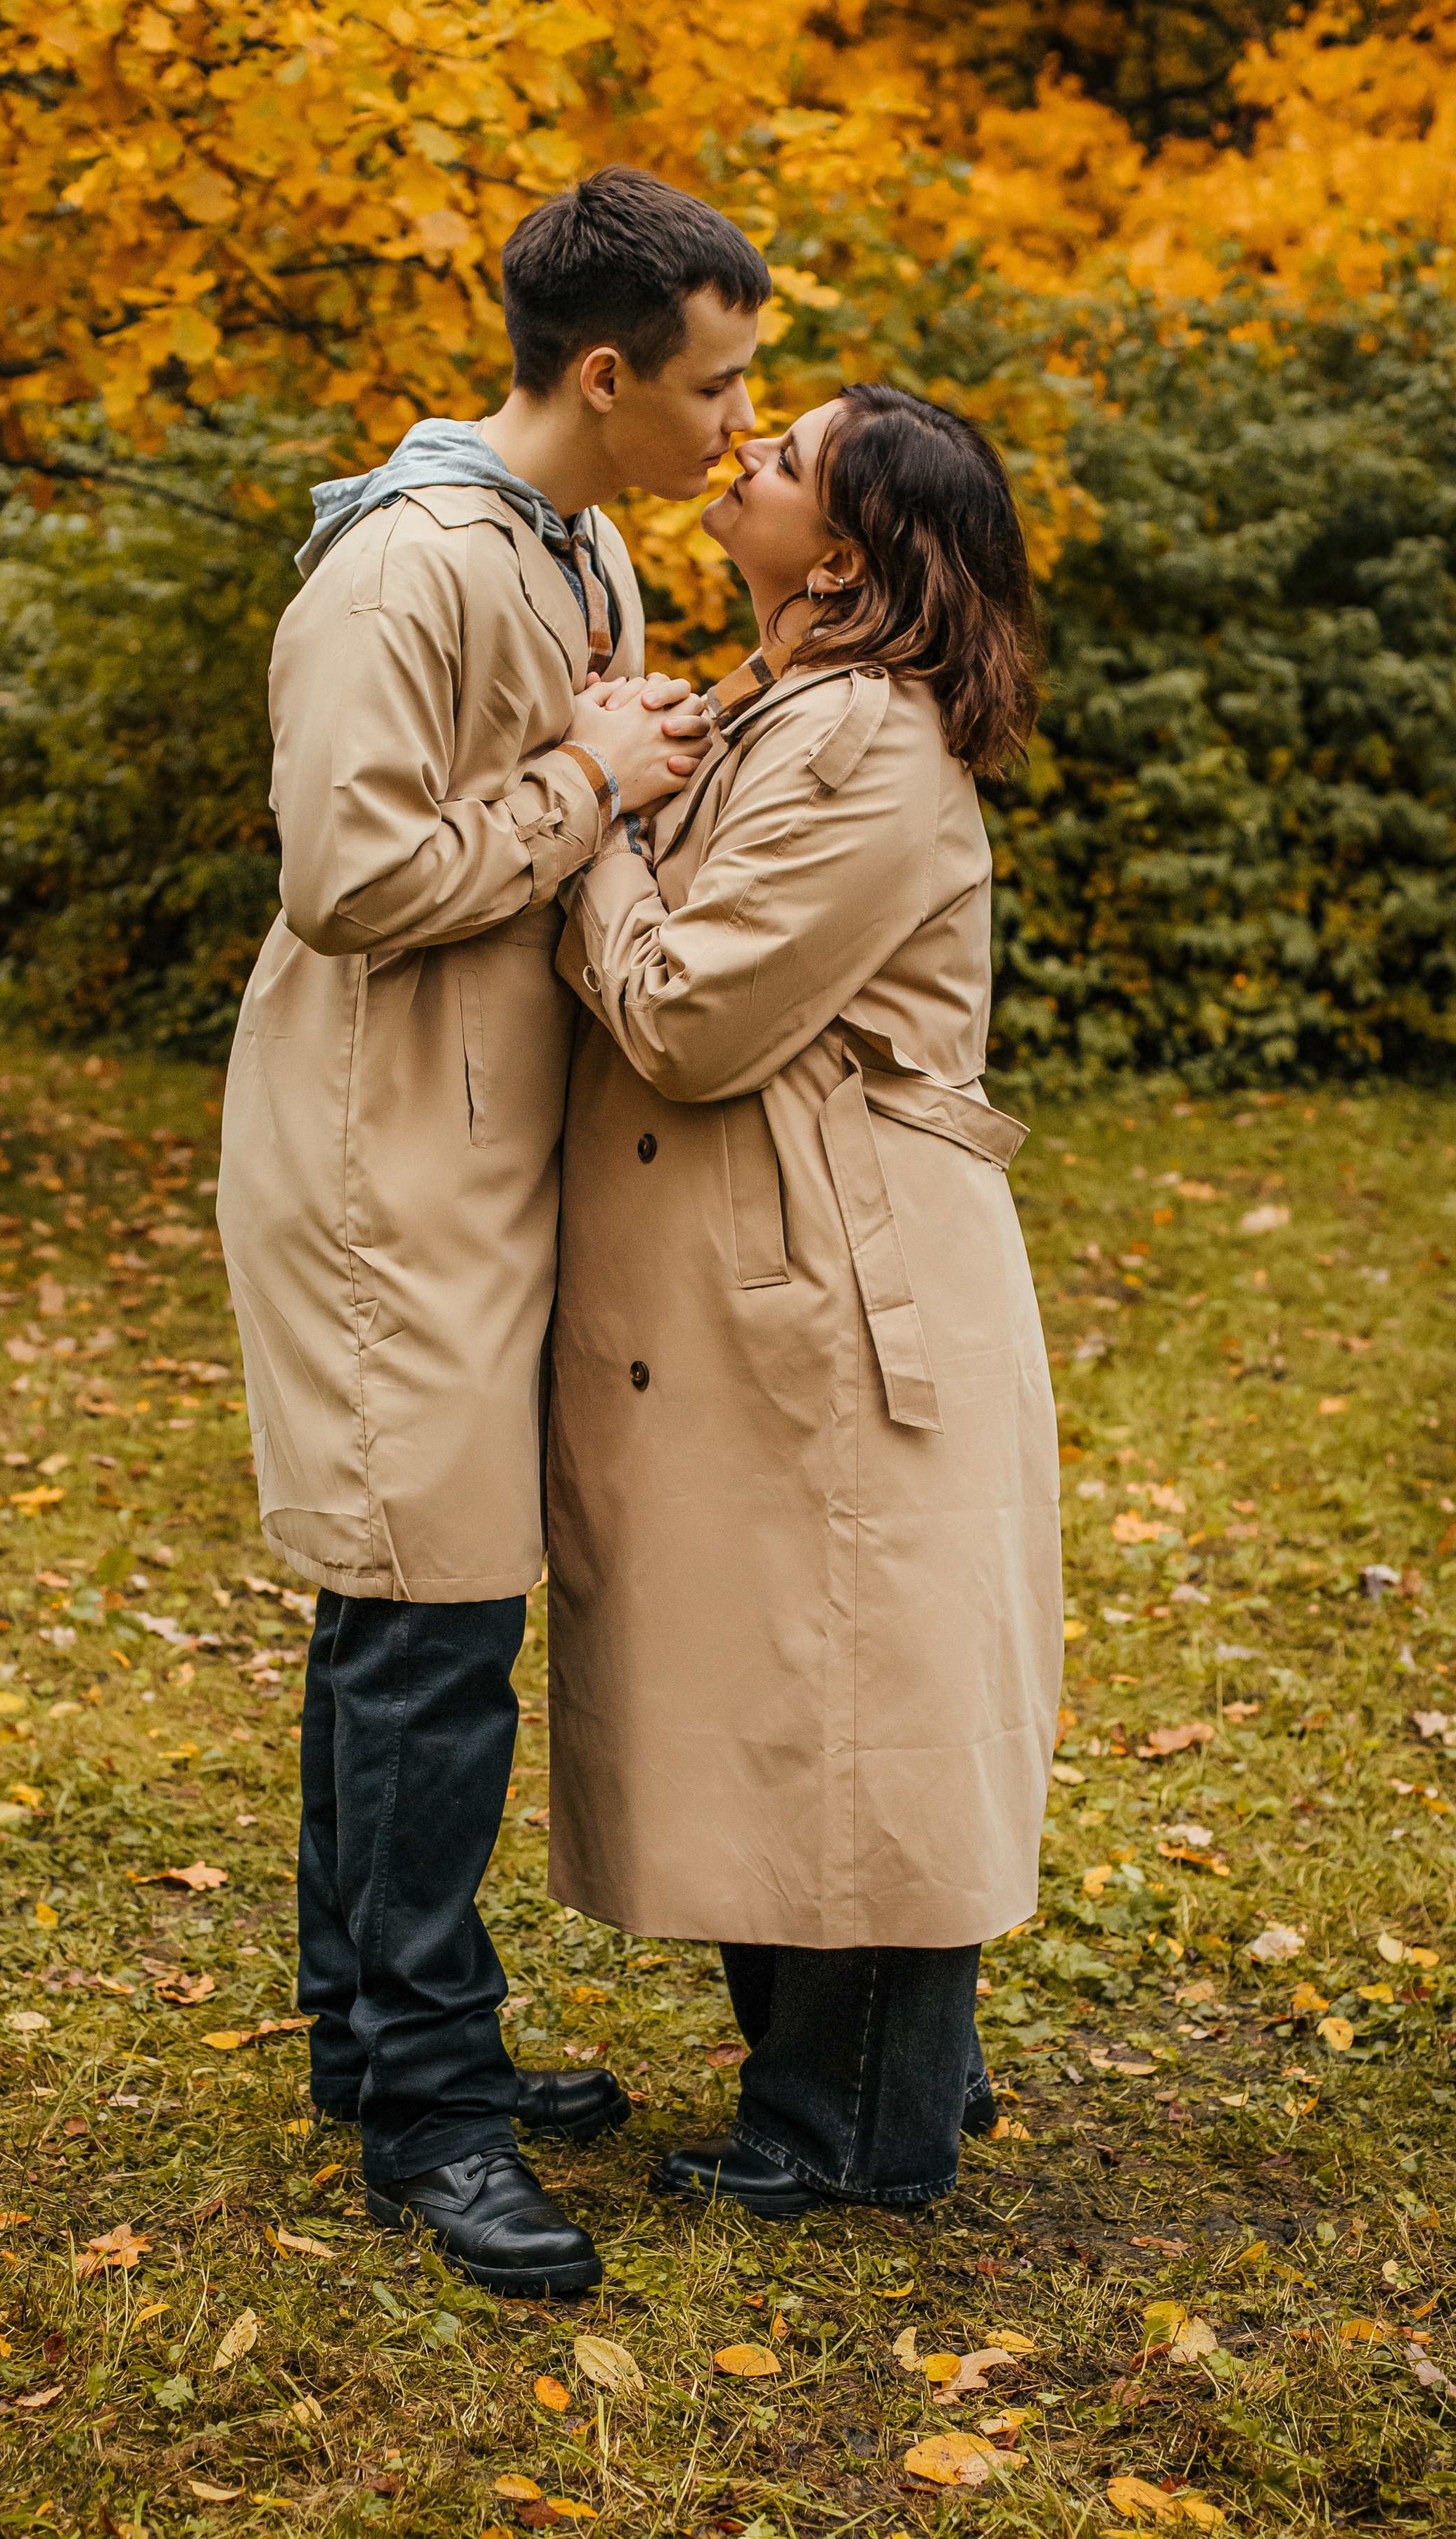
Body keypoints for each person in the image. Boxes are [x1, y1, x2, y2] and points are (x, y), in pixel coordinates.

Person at [216, 167, 771, 2294]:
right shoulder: (402, 568)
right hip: (387, 1161)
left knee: (408, 1612)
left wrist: (644, 769)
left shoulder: (588, 545)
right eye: (718, 384)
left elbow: (565, 800)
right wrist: (594, 787)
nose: (740, 422)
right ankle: (433, 2113)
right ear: (611, 372)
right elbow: (347, 881)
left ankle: (375, 2040)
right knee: (432, 1614)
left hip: (502, 1148)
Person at [544, 384, 1064, 2219]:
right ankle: (869, 2076)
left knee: (854, 1682)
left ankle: (857, 2124)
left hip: (841, 1275)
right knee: (797, 1669)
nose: (743, 456)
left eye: (782, 462)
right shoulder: (799, 710)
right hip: (792, 1258)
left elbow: (689, 1011)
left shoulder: (863, 739)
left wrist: (593, 822)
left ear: (842, 555)